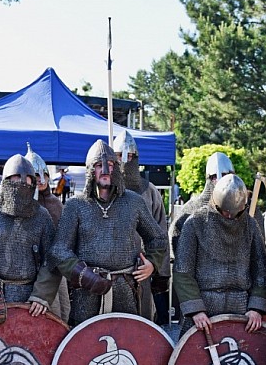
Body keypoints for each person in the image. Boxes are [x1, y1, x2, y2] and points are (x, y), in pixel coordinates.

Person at [49, 140, 168, 327]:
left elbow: (158, 237)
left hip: (125, 286)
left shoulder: (133, 202)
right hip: (87, 292)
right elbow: (59, 250)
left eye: (110, 165)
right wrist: (83, 275)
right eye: (98, 166)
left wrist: (152, 264)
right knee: (86, 346)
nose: (105, 170)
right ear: (90, 170)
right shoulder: (75, 205)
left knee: (126, 344)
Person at [0, 154, 60, 324]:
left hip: (31, 298)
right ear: (6, 181)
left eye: (27, 179)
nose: (22, 183)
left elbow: (52, 257)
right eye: (16, 178)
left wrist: (41, 295)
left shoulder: (42, 216)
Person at [174, 173, 266, 335]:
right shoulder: (196, 222)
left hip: (242, 309)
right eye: (225, 212)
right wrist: (195, 309)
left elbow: (261, 270)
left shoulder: (250, 225)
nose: (230, 216)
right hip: (203, 309)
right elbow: (183, 271)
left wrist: (255, 307)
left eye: (235, 213)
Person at [112, 130, 171, 323]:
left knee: (141, 328)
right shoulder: (103, 190)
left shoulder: (149, 191)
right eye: (120, 155)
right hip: (108, 274)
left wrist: (158, 270)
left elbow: (160, 232)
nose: (125, 161)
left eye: (129, 156)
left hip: (140, 270)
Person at [24, 146, 70, 323]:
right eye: (36, 175)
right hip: (31, 269)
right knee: (47, 312)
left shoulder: (56, 204)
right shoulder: (22, 205)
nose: (41, 179)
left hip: (56, 265)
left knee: (64, 310)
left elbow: (66, 235)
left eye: (45, 174)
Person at [170, 151, 235, 256]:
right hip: (200, 270)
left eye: (226, 175)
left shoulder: (245, 210)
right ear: (209, 179)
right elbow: (175, 249)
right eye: (215, 176)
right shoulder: (191, 209)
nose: (221, 180)